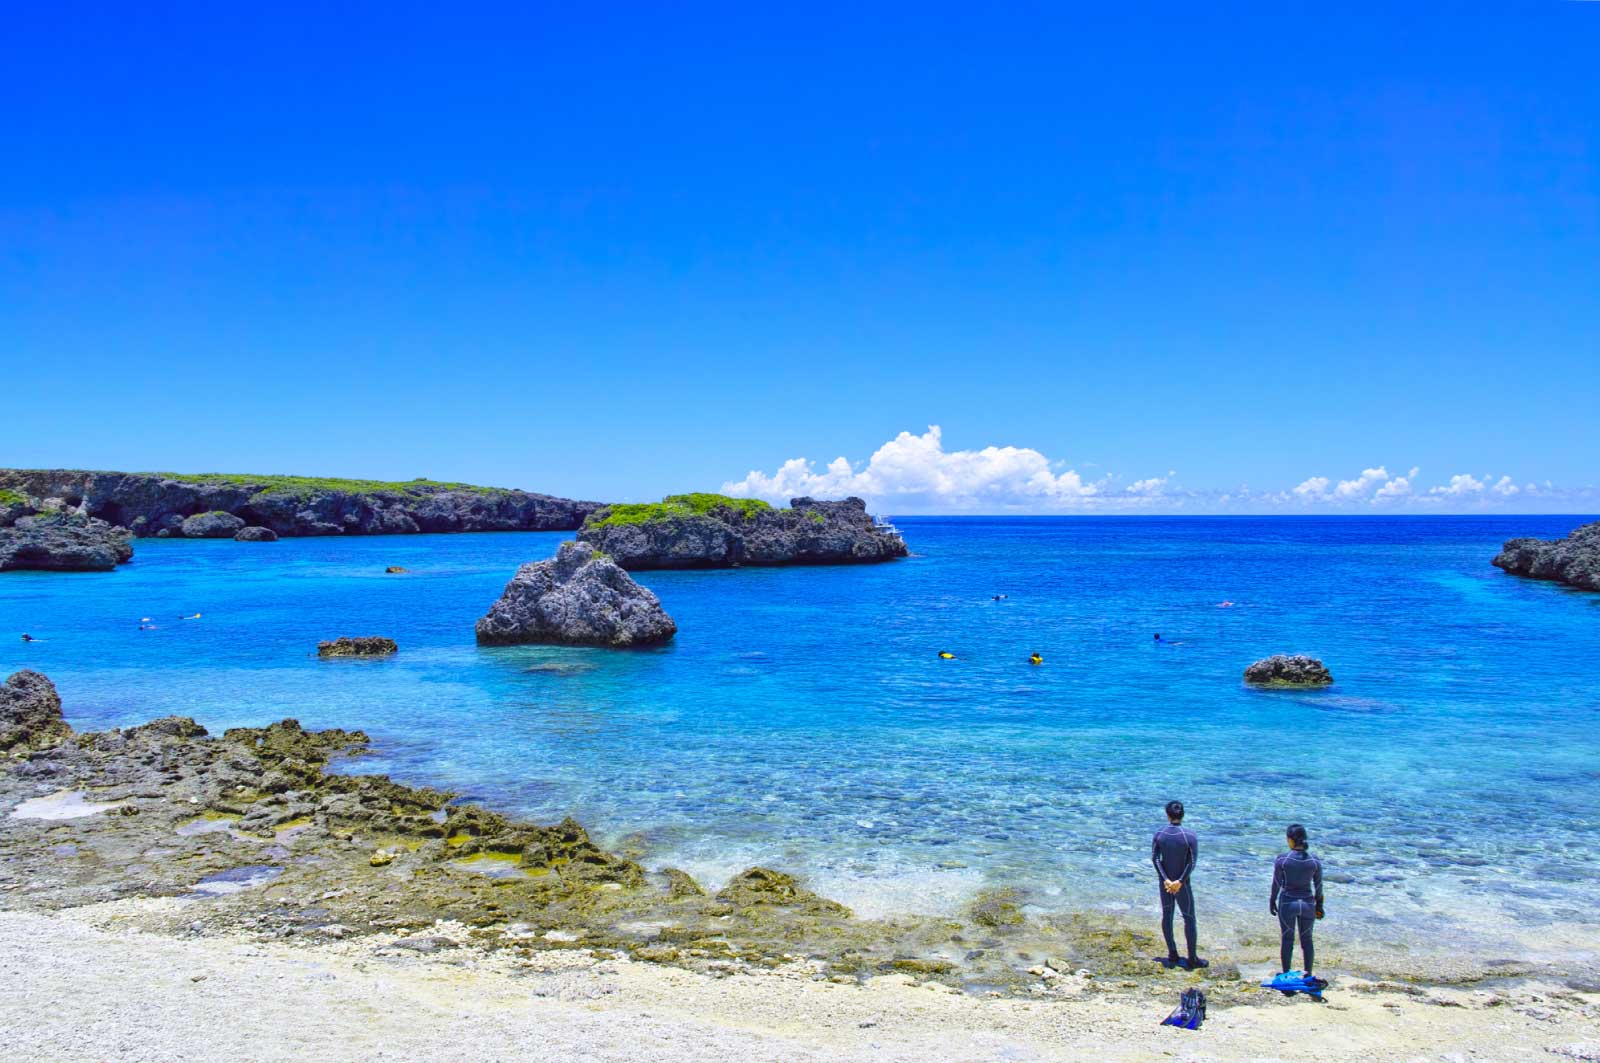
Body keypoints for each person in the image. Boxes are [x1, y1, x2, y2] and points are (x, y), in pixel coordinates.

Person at [1152, 800, 1206, 969]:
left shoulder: (1159, 834)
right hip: (1182, 884)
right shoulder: (1189, 836)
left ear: (1167, 815)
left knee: (1167, 915)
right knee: (1189, 918)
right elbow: (1192, 862)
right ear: (1183, 815)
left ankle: (1172, 954)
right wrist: (1180, 881)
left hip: (1165, 884)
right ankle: (1192, 958)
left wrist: (1167, 880)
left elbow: (1155, 859)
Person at [1270, 823, 1325, 976]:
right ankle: (1308, 974)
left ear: (1290, 840)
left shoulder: (1283, 859)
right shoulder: (1314, 861)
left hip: (1288, 903)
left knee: (1287, 940)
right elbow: (1319, 886)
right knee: (1307, 940)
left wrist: (1272, 900)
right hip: (1308, 904)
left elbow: (1276, 883)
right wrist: (1319, 906)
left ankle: (1286, 973)